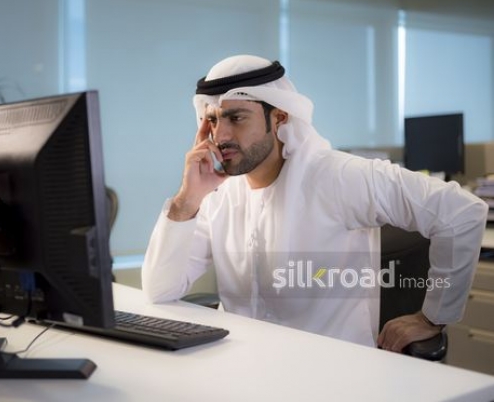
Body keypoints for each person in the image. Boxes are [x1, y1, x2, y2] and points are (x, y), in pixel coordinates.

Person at [142, 54, 488, 351]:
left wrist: (434, 316)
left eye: (237, 117)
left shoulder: (338, 177)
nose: (222, 135)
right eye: (214, 120)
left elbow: (461, 212)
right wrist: (188, 199)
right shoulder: (217, 195)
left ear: (279, 118)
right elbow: (161, 289)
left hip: (332, 379)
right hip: (241, 373)